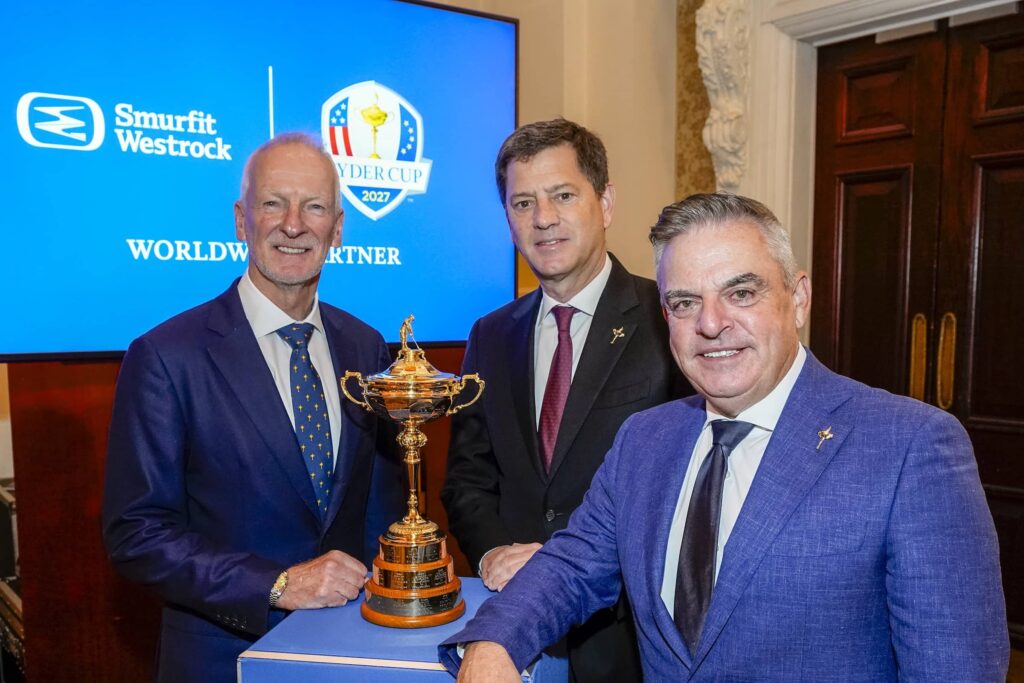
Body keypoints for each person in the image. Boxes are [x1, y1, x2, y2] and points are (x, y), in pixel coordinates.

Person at [440, 192, 1009, 681]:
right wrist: (494, 643)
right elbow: (570, 567)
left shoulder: (911, 448)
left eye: (741, 293)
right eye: (686, 302)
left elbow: (953, 669)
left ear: (798, 298)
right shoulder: (645, 440)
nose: (711, 324)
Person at [102, 132, 402, 682]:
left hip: (351, 651)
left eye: (314, 207)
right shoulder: (167, 356)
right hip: (222, 660)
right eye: (273, 203)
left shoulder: (366, 347)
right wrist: (276, 585)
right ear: (241, 220)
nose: (293, 224)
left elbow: (380, 509)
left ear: (337, 228)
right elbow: (138, 534)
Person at [441, 118, 690, 682]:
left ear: (606, 203)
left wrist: (563, 567)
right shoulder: (490, 334)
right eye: (523, 203)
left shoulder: (669, 320)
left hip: (626, 641)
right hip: (513, 630)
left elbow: (689, 493)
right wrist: (492, 555)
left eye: (563, 195)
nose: (543, 218)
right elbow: (467, 479)